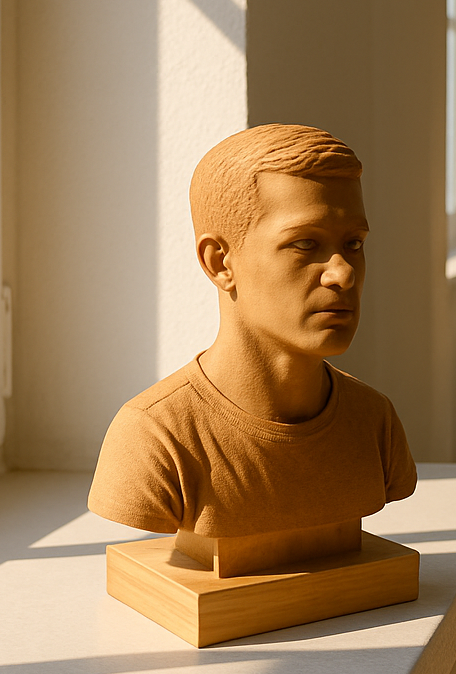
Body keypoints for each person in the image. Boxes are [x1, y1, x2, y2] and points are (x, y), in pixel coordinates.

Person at [88, 124, 416, 539]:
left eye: (353, 244)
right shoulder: (155, 437)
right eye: (304, 244)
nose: (343, 274)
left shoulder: (374, 422)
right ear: (220, 263)